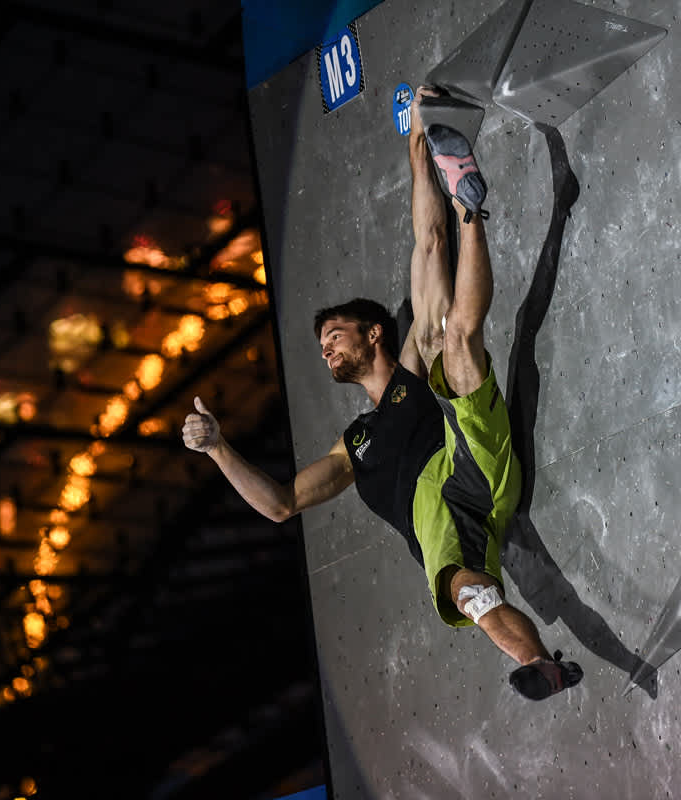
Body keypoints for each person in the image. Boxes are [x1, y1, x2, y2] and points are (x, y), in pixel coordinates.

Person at [182, 87, 580, 700]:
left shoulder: (406, 371)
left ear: (373, 333)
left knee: (451, 335)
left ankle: (471, 207)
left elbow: (428, 243)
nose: (326, 350)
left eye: (334, 335)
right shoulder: (353, 444)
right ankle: (541, 666)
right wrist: (217, 450)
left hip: (468, 457)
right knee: (468, 595)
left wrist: (418, 145)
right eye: (321, 348)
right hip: (453, 528)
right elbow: (282, 503)